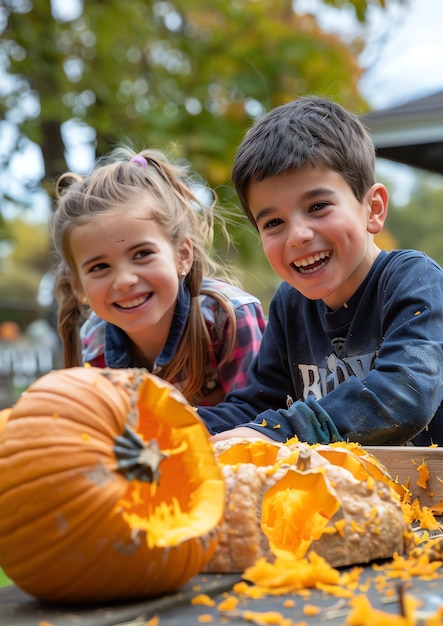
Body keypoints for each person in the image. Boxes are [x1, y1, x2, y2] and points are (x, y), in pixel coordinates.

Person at [196, 95, 443, 446]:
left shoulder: (413, 280)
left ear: (373, 209)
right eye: (274, 222)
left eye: (317, 206)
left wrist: (277, 432)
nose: (298, 235)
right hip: (340, 494)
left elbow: (404, 396)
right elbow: (256, 405)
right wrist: (180, 427)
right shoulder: (290, 304)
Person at [50, 146, 266, 408]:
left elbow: (259, 413)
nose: (124, 280)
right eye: (99, 267)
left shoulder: (228, 318)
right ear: (78, 286)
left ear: (182, 255)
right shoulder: (96, 342)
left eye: (141, 254)